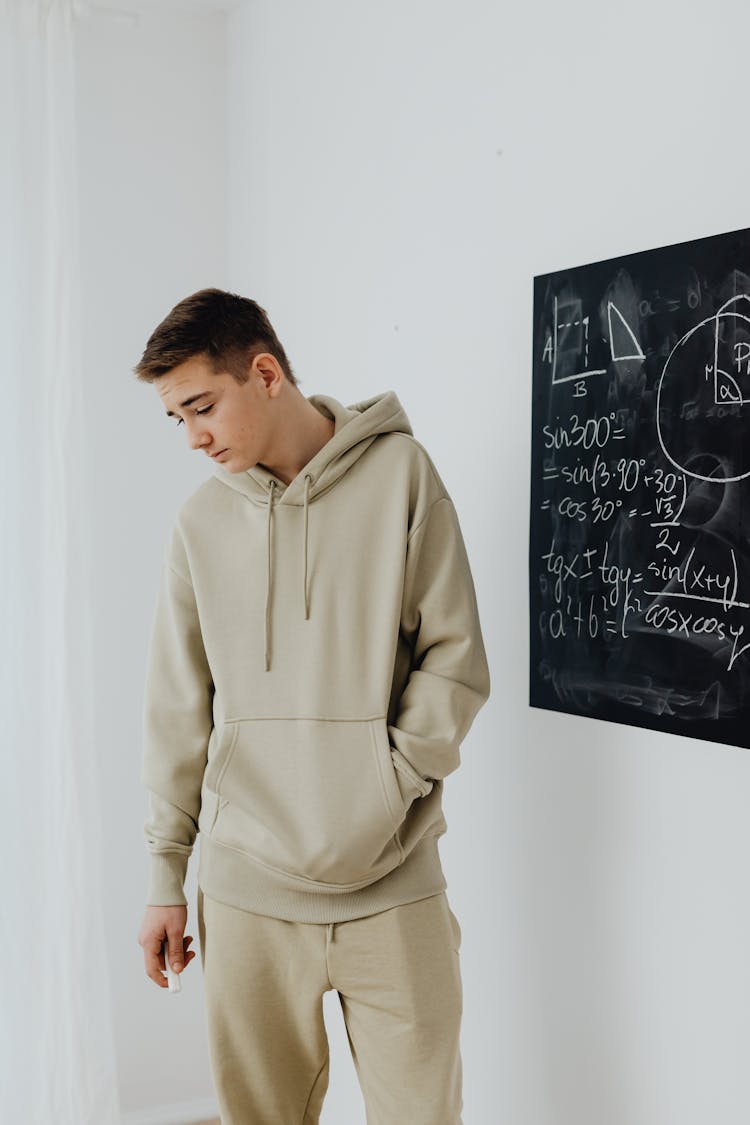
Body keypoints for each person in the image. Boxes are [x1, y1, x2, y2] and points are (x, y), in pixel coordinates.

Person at [134, 288, 491, 1125]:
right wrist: (164, 878)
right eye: (176, 419)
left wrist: (388, 779)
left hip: (393, 884)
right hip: (246, 888)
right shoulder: (198, 523)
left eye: (201, 406)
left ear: (264, 373)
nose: (194, 437)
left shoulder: (403, 475)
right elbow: (177, 710)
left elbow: (456, 656)